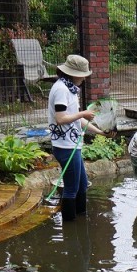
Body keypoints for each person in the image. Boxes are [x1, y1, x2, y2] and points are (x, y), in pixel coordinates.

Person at [47, 54, 108, 222]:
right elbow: (61, 119)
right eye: (82, 75)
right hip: (65, 146)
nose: (84, 78)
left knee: (82, 185)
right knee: (71, 189)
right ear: (72, 73)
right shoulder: (61, 89)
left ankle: (81, 221)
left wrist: (100, 132)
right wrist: (83, 113)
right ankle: (70, 228)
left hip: (72, 144)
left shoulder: (70, 88)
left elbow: (77, 119)